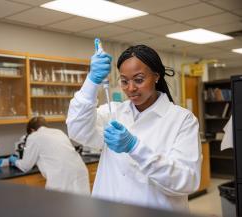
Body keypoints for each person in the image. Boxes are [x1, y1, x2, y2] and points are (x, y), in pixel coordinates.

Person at [66, 43, 202, 211]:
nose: (130, 88)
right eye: (124, 81)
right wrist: (91, 81)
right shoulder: (113, 112)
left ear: (156, 76)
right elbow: (76, 129)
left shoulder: (182, 120)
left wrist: (135, 147)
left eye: (139, 80)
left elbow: (186, 181)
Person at [9, 116, 90, 195]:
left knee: (58, 207)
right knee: (81, 205)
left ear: (32, 130)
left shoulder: (33, 136)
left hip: (61, 177)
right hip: (80, 171)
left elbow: (25, 166)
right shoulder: (59, 132)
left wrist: (14, 160)